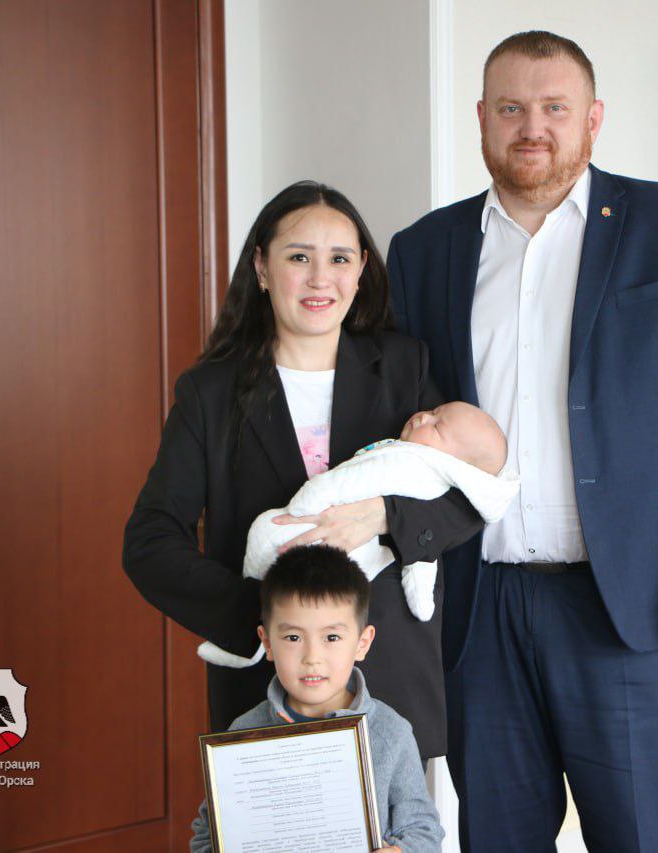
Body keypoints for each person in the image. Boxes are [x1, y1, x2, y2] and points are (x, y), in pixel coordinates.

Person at [386, 30, 658, 850]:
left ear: (593, 119)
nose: (533, 127)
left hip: (626, 600)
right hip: (478, 606)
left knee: (641, 834)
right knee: (498, 835)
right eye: (512, 108)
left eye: (555, 108)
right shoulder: (423, 250)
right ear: (482, 118)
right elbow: (404, 420)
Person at [123, 181, 483, 761]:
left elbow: (469, 494)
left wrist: (384, 516)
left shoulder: (404, 367)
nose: (321, 278)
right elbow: (150, 541)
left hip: (390, 681)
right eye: (298, 258)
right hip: (264, 694)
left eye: (339, 259)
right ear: (262, 269)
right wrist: (267, 615)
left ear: (360, 270)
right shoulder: (209, 393)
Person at [193, 402, 513, 668]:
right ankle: (253, 636)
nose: (423, 417)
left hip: (321, 529)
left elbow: (355, 481)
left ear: (452, 460)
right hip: (360, 557)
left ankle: (251, 638)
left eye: (437, 427)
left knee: (266, 528)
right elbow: (422, 556)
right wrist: (421, 597)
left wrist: (306, 502)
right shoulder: (421, 464)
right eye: (433, 411)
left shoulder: (408, 462)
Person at [189, 546, 444, 853]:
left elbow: (423, 830)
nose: (312, 657)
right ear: (267, 643)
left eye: (331, 637)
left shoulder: (390, 733)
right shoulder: (244, 734)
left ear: (362, 643)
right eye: (293, 638)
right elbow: (207, 834)